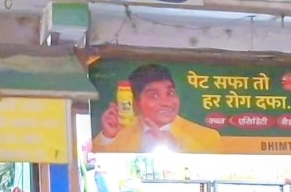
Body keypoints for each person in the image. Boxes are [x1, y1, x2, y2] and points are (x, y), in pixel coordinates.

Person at [93, 64, 222, 154]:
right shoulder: (119, 132)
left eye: (170, 93)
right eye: (153, 96)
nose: (166, 103)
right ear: (136, 103)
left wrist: (174, 150)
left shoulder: (207, 137)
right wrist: (108, 136)